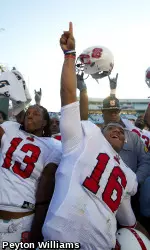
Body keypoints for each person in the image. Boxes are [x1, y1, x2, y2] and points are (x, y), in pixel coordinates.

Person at [42, 22, 143, 250]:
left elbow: (128, 221)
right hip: (60, 242)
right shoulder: (82, 139)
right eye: (111, 128)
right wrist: (69, 55)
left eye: (121, 130)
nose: (117, 129)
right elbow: (68, 96)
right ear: (100, 131)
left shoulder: (128, 176)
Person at [0, 104, 62, 247]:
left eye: (36, 114)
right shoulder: (11, 128)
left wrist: (37, 229)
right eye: (28, 112)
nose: (30, 115)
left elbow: (45, 189)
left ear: (44, 122)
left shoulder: (54, 146)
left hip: (20, 219)